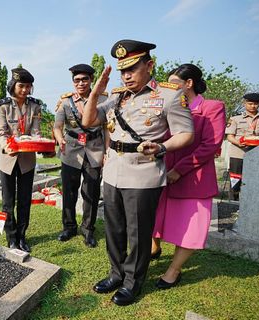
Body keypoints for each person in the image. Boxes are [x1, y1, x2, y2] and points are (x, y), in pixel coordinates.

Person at [82, 39, 194, 306]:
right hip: (113, 171)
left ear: (149, 65)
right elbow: (88, 121)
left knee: (138, 233)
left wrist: (162, 146)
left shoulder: (169, 95)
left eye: (132, 68)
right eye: (123, 70)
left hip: (144, 173)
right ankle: (116, 273)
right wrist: (95, 93)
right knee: (114, 229)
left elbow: (186, 133)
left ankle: (132, 282)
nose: (127, 75)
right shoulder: (117, 97)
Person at [151, 64, 226, 289]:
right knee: (155, 219)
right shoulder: (167, 106)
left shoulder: (212, 107)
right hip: (163, 174)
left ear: (189, 83)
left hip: (194, 178)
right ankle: (154, 248)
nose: (168, 90)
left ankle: (174, 271)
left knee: (190, 228)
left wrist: (179, 170)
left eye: (173, 84)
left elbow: (209, 146)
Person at [53, 64, 107, 248]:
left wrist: (107, 152)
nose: (81, 83)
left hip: (94, 149)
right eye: (77, 80)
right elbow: (57, 126)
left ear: (92, 80)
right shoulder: (66, 101)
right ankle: (69, 227)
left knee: (91, 192)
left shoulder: (103, 100)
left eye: (84, 79)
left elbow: (107, 128)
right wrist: (60, 139)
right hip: (71, 150)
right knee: (69, 191)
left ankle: (88, 229)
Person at [0, 67, 44, 253]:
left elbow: (36, 131)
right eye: (21, 86)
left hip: (27, 160)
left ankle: (22, 236)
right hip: (8, 158)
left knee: (24, 200)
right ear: (13, 85)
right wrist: (6, 146)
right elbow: (1, 132)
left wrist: (37, 143)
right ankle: (11, 237)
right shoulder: (3, 106)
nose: (25, 90)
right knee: (8, 201)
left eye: (28, 86)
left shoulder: (35, 106)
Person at [225, 92, 259, 199]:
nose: (253, 106)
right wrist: (238, 142)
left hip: (257, 154)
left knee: (253, 181)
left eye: (256, 104)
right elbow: (230, 136)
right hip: (238, 153)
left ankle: (250, 205)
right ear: (244, 103)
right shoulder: (235, 119)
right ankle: (233, 203)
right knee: (235, 180)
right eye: (250, 103)